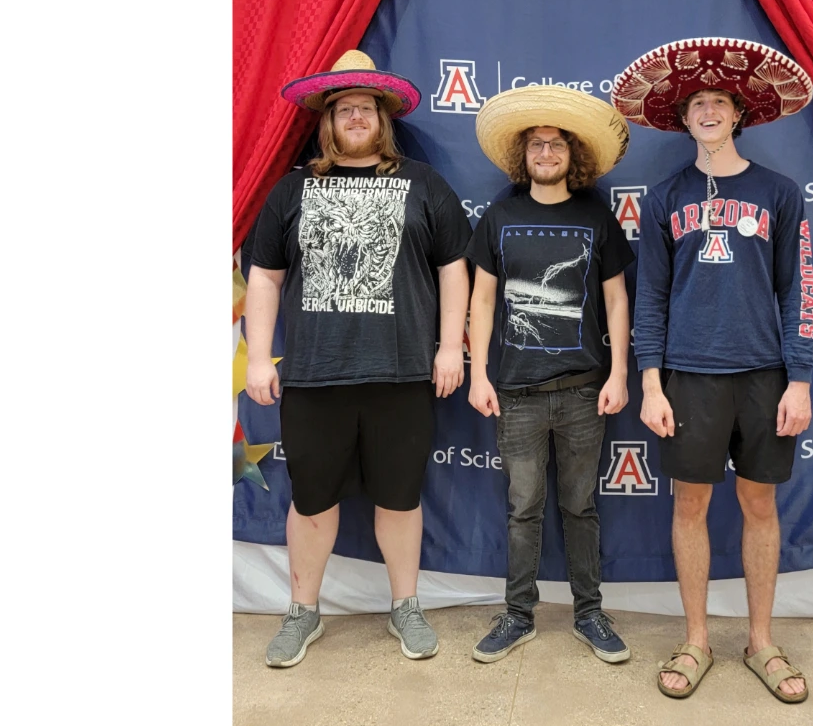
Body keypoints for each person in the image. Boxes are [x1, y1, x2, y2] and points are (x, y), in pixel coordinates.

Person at [245, 50, 471, 667]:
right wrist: (259, 358)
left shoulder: (422, 184)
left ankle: (406, 605)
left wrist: (452, 347)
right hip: (315, 377)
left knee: (400, 499)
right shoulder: (294, 189)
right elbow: (264, 276)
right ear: (326, 121)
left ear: (383, 118)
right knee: (312, 501)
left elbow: (455, 269)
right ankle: (302, 612)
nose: (355, 117)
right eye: (343, 108)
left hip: (401, 374)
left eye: (365, 108)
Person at [612, 37, 813, 702]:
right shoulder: (667, 196)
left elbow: (800, 288)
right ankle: (696, 638)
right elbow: (650, 295)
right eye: (696, 102)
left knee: (760, 503)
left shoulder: (780, 193)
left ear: (737, 115)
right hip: (689, 376)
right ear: (685, 118)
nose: (706, 111)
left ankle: (761, 641)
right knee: (690, 503)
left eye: (718, 102)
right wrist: (650, 380)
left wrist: (800, 377)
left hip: (763, 375)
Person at [464, 86, 635, 664]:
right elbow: (481, 301)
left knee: (581, 507)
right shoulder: (500, 216)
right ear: (523, 155)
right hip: (515, 393)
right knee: (523, 508)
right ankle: (518, 615)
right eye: (536, 144)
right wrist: (478, 375)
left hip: (585, 391)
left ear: (572, 155)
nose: (545, 152)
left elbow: (616, 302)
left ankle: (590, 613)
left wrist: (619, 374)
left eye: (555, 144)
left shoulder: (595, 216)